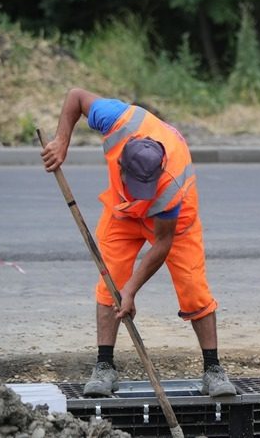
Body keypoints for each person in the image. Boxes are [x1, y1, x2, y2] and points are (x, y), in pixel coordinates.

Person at [41, 88, 236, 397]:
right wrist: (61, 142)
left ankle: (213, 369)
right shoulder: (116, 119)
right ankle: (104, 365)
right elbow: (75, 97)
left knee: (193, 287)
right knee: (110, 282)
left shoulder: (170, 185)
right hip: (122, 213)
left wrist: (131, 291)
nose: (139, 190)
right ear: (122, 163)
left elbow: (161, 245)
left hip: (174, 223)